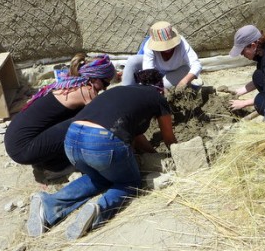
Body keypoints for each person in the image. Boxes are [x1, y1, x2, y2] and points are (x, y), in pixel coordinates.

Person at [26, 70, 177, 240]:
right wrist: (176, 156)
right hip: (100, 142)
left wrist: (151, 154)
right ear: (160, 88)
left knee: (99, 177)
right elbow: (168, 137)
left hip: (72, 139)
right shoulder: (157, 97)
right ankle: (99, 212)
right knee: (129, 182)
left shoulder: (121, 92)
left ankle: (49, 205)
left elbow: (136, 136)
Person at [4, 53, 116, 180]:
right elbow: (102, 119)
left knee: (79, 117)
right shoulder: (87, 92)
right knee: (85, 124)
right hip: (22, 149)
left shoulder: (69, 83)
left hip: (14, 140)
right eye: (105, 84)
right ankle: (59, 167)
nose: (104, 89)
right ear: (95, 79)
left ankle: (49, 159)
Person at [121, 21, 202, 91]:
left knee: (165, 84)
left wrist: (184, 81)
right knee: (132, 61)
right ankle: (127, 92)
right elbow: (149, 71)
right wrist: (156, 86)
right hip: (157, 70)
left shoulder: (182, 44)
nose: (167, 49)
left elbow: (196, 64)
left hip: (179, 70)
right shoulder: (149, 46)